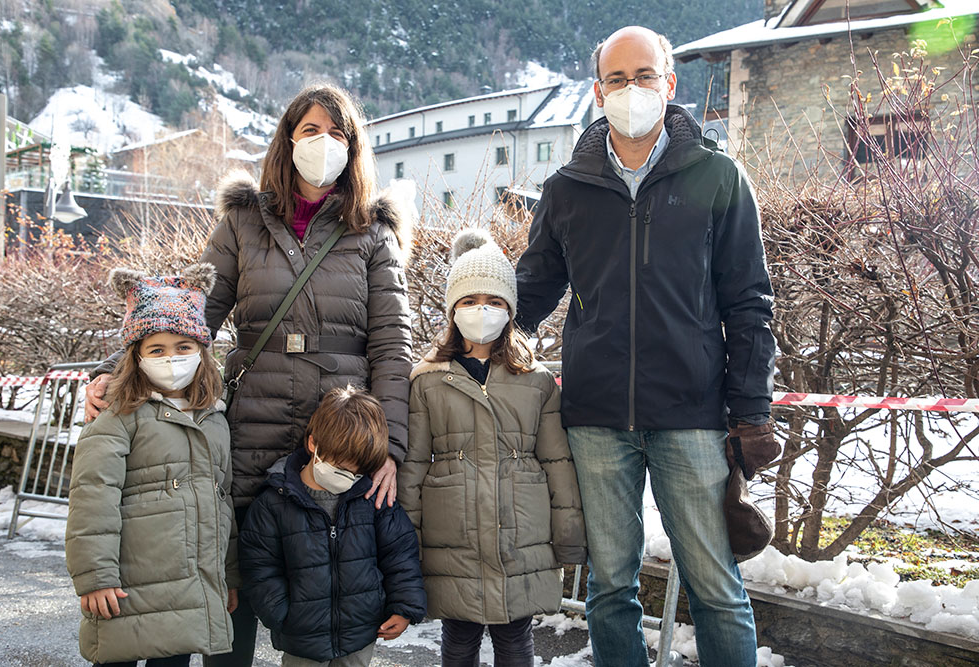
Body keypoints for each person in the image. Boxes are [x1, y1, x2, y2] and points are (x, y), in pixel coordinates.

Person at [84, 84, 414, 665]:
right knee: (231, 589)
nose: (323, 143)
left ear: (354, 145)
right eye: (310, 130)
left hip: (335, 438)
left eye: (337, 133)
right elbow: (191, 313)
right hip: (251, 431)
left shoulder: (373, 232)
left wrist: (390, 446)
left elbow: (392, 346)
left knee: (325, 601)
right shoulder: (243, 221)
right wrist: (114, 375)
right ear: (287, 140)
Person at [514, 26, 777, 667]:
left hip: (692, 416)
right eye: (617, 78)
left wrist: (751, 412)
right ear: (598, 91)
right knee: (610, 590)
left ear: (670, 83)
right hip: (597, 419)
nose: (632, 89)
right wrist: (470, 334)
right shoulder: (567, 190)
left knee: (716, 587)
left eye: (644, 76)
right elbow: (530, 292)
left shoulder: (719, 178)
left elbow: (748, 304)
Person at [399, 229, 587, 667]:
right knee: (458, 637)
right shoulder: (427, 378)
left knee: (516, 637)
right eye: (468, 300)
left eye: (495, 301)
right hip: (453, 534)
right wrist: (405, 538)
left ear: (511, 309)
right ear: (452, 309)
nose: (481, 309)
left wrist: (569, 535)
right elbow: (411, 465)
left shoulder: (535, 380)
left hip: (520, 533)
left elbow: (557, 461)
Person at [65, 264, 238, 667]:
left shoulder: (213, 418)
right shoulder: (117, 415)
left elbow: (221, 504)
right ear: (136, 356)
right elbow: (92, 499)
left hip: (184, 593)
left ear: (201, 351)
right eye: (156, 350)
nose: (171, 358)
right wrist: (95, 577)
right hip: (123, 590)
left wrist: (227, 575)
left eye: (183, 347)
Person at [238, 386, 426, 667]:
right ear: (313, 444)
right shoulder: (273, 502)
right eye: (340, 466)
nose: (348, 476)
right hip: (302, 639)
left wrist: (404, 607)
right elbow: (259, 565)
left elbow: (400, 555)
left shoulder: (372, 497)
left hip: (361, 633)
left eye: (357, 471)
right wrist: (280, 614)